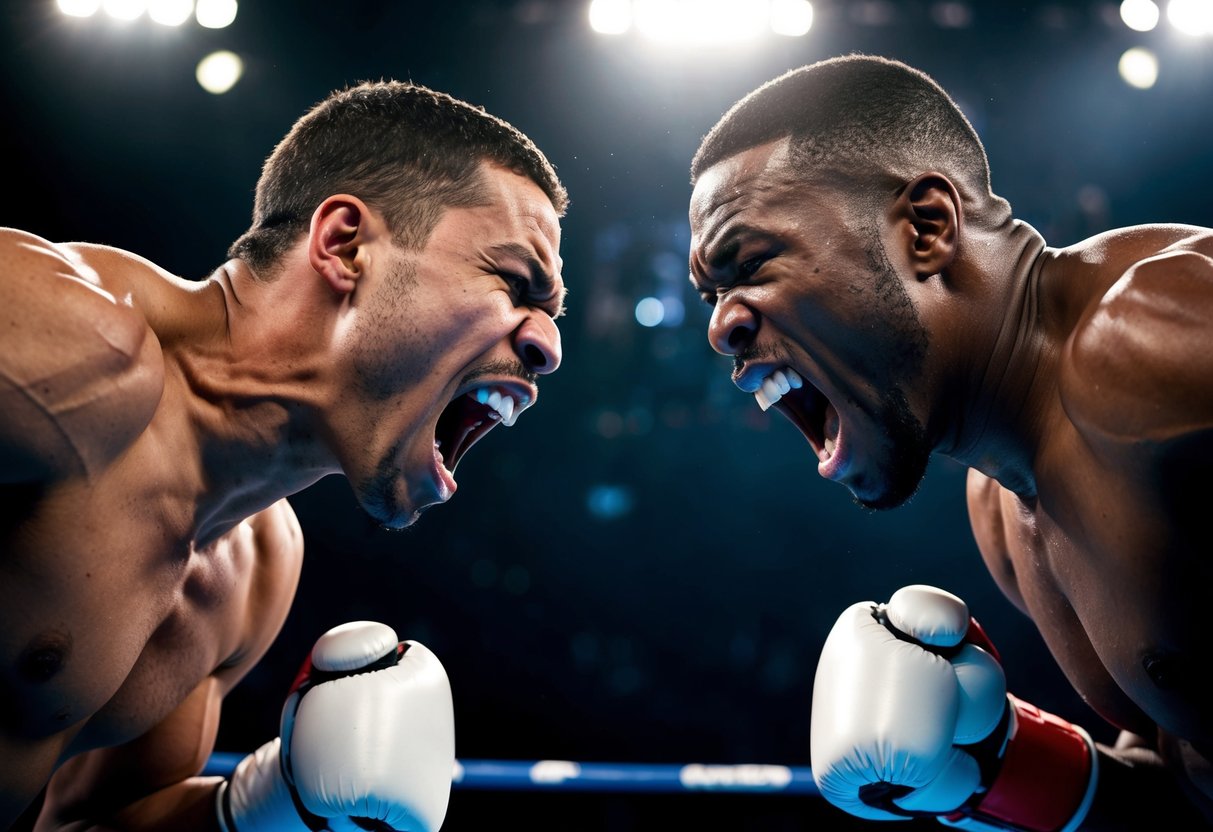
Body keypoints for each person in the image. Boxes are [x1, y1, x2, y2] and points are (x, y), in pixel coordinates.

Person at [1, 79, 569, 831]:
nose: (547, 345)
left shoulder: (257, 564)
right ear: (344, 246)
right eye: (514, 283)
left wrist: (273, 802)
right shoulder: (73, 348)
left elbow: (91, 821)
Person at [688, 55, 1211, 829]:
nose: (720, 324)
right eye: (711, 293)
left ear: (926, 228)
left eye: (752, 263)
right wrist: (993, 764)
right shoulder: (1001, 506)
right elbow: (1188, 789)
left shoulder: (1159, 340)